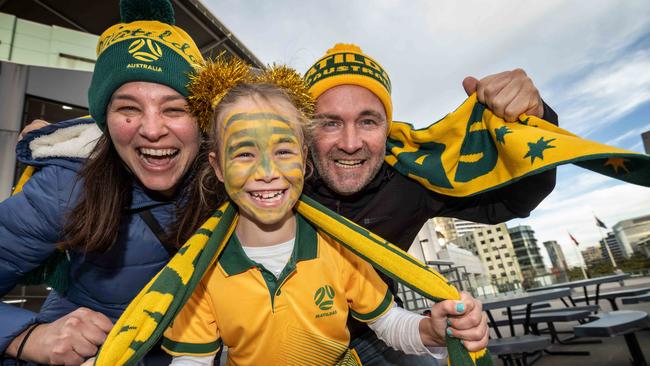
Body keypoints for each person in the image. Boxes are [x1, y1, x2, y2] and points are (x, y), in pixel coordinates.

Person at [156, 58, 486, 365]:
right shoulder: (201, 270)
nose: (267, 171)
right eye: (244, 153)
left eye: (283, 150)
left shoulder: (340, 245)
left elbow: (388, 322)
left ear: (303, 157)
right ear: (217, 166)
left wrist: (431, 330)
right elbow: (192, 360)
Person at [302, 44, 558, 365]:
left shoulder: (412, 178)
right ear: (305, 131)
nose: (351, 143)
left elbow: (512, 201)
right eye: (330, 123)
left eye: (368, 121)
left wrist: (533, 120)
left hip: (378, 332)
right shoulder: (275, 184)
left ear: (387, 127)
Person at [0, 0, 207, 364]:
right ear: (104, 119)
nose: (153, 129)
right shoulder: (67, 185)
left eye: (175, 109)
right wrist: (28, 337)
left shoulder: (234, 181)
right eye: (128, 108)